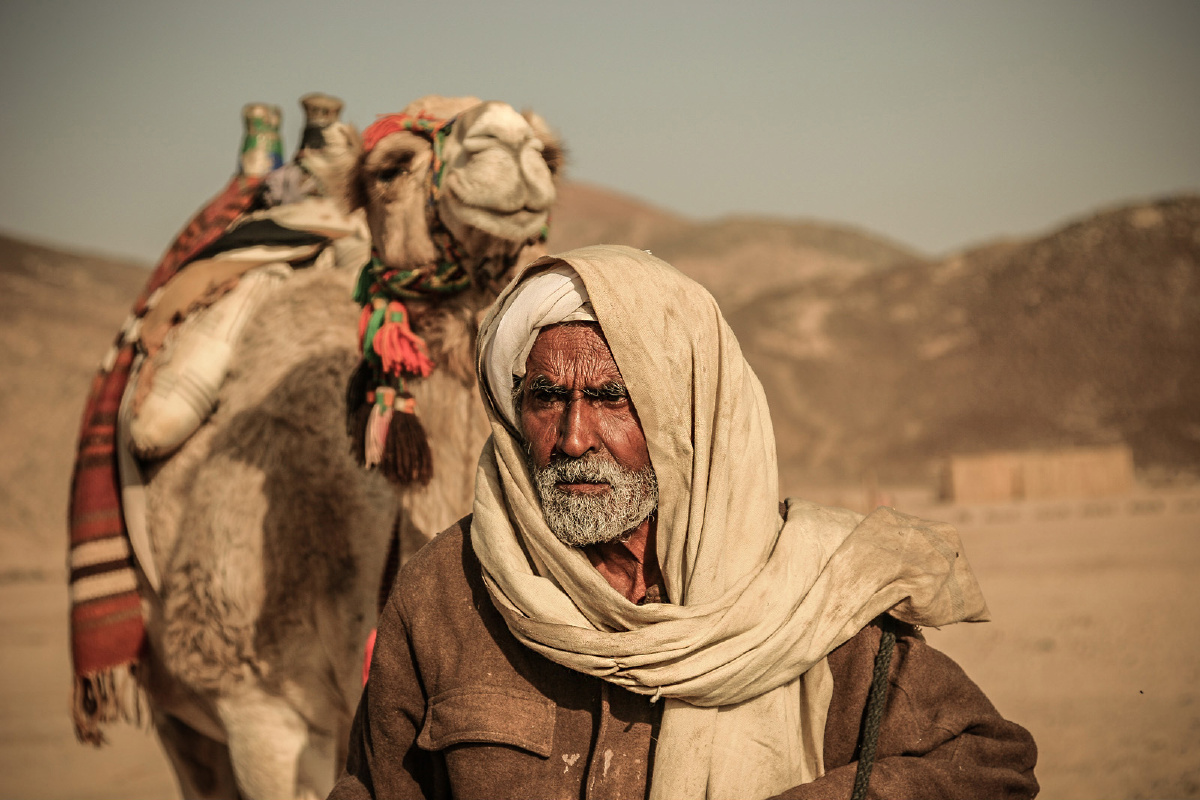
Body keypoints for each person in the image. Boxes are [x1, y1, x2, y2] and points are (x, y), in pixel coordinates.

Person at [329, 245, 1038, 800]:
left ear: (684, 417)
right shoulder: (447, 592)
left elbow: (987, 764)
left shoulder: (805, 593)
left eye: (613, 397)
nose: (573, 437)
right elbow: (372, 788)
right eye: (546, 397)